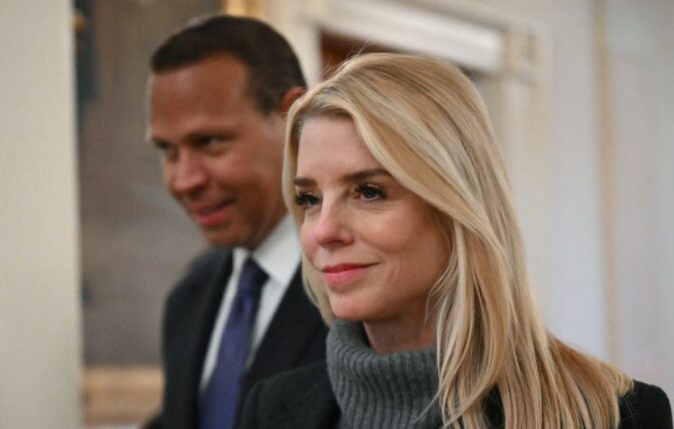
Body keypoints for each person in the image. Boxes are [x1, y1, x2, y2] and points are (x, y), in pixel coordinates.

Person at [239, 53, 672, 428]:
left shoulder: (617, 415)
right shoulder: (271, 408)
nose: (322, 230)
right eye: (309, 199)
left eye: (369, 191)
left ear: (457, 206)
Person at [144, 15, 327, 429]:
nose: (184, 179)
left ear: (292, 117)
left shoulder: (364, 286)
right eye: (168, 151)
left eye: (209, 142)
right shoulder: (188, 297)